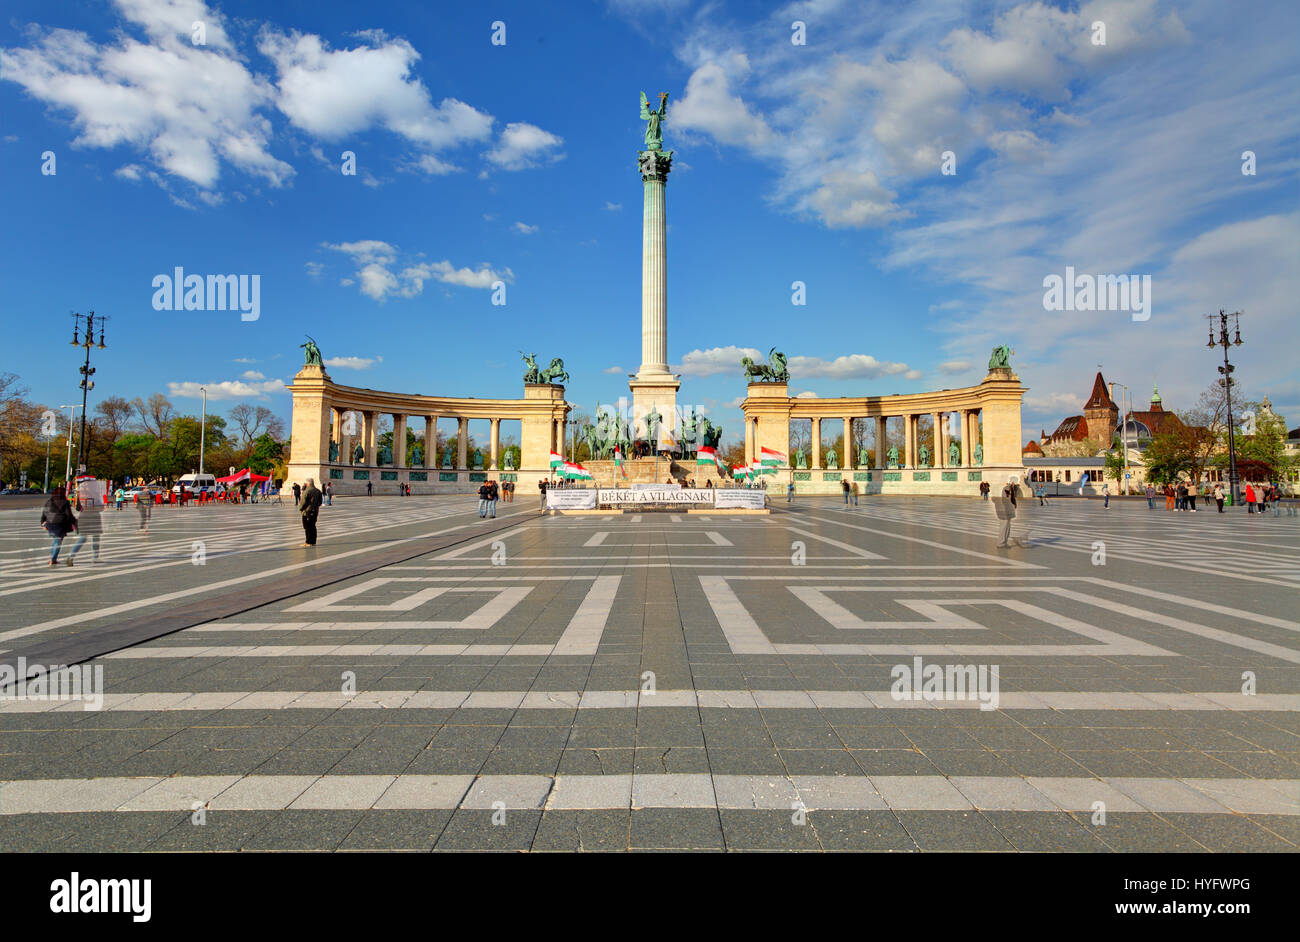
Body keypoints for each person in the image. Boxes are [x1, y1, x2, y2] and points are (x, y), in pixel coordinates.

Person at [39, 486, 78, 566]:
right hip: (60, 524)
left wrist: (42, 522)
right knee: (57, 541)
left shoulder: (49, 501)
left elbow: (44, 512)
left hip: (50, 523)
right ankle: (53, 559)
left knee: (55, 540)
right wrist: (75, 523)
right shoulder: (64, 502)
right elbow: (69, 515)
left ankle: (54, 558)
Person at [66, 491, 103, 565]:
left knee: (83, 537)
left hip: (84, 516)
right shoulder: (96, 495)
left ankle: (71, 556)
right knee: (96, 537)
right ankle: (95, 557)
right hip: (94, 516)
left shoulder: (81, 495)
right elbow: (101, 507)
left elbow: (78, 508)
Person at [994, 476, 1018, 547]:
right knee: (1004, 526)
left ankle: (1004, 542)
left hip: (1007, 509)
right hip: (1005, 510)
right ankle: (1001, 543)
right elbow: (1006, 498)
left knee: (1007, 526)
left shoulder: (1010, 488)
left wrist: (1014, 505)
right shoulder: (1007, 488)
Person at [299, 477, 322, 546]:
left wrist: (301, 508)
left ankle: (308, 542)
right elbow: (320, 502)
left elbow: (303, 502)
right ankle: (313, 541)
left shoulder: (307, 491)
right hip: (315, 511)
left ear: (307, 483)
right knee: (313, 526)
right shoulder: (318, 491)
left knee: (307, 527)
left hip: (307, 512)